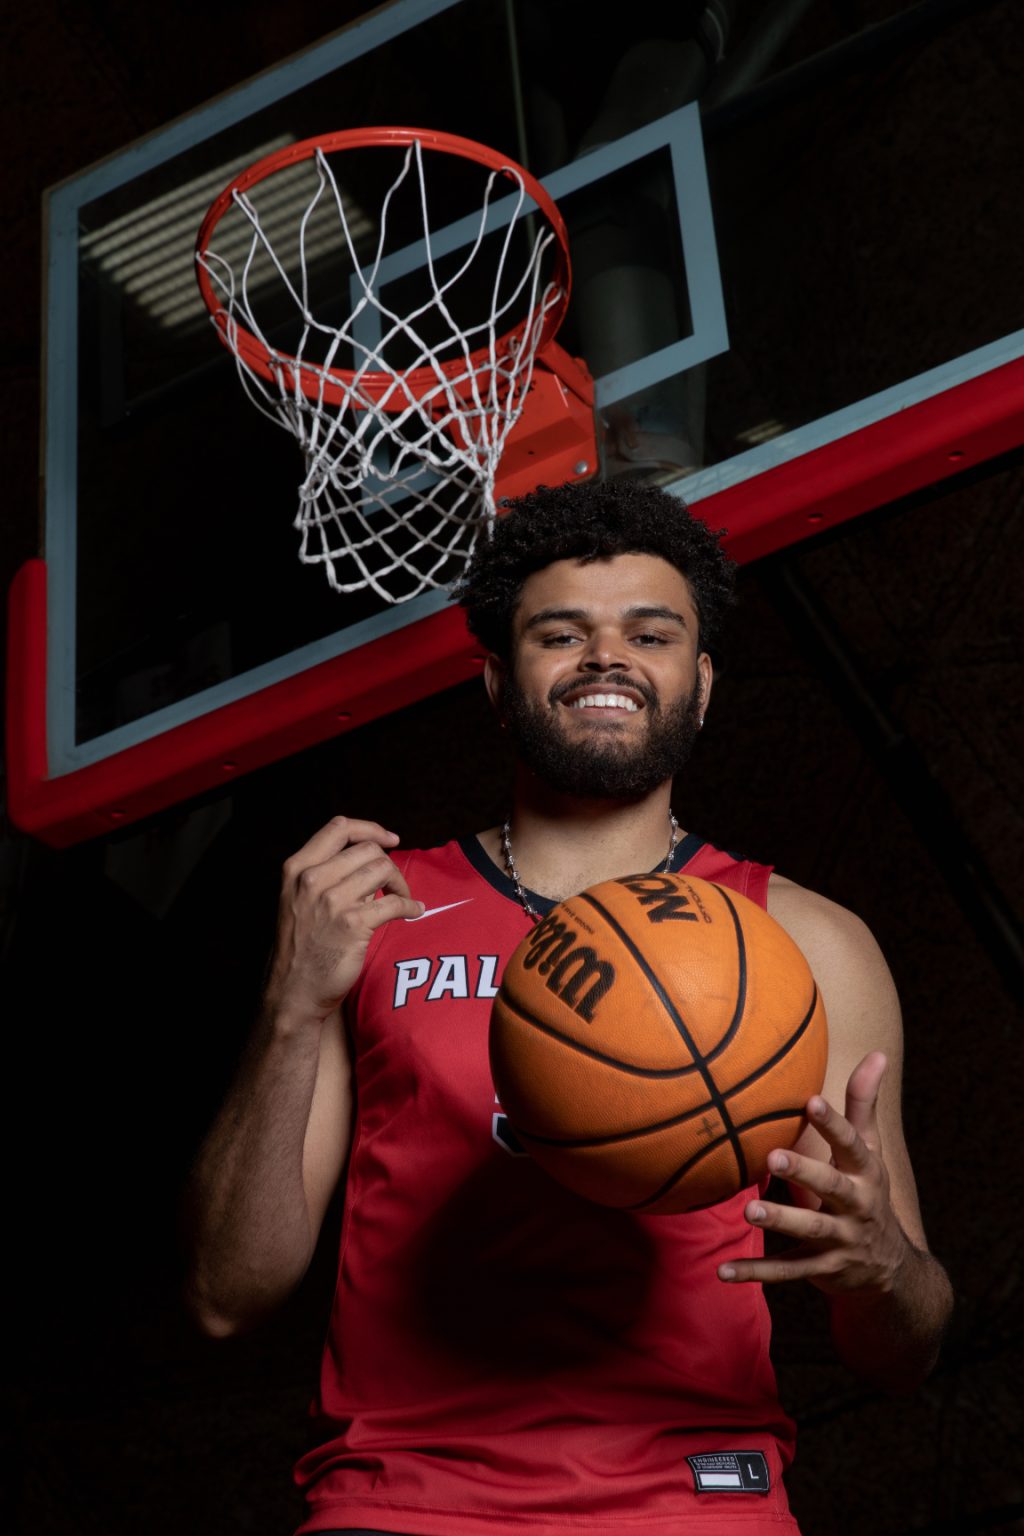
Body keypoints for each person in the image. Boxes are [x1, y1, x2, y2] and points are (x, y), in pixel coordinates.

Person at [184, 479, 953, 1536]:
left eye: (650, 631)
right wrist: (287, 1008)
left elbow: (904, 1350)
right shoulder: (370, 913)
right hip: (405, 1499)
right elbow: (228, 1295)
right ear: (498, 684)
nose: (606, 658)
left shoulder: (809, 942)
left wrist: (880, 1266)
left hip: (697, 1498)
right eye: (561, 633)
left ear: (703, 681)